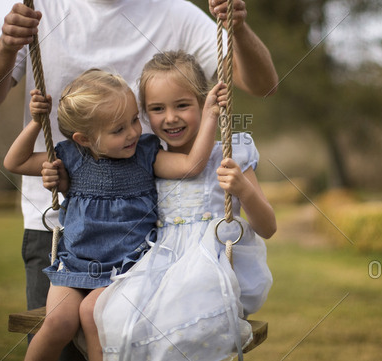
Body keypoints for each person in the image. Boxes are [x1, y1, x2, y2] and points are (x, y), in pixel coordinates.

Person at [0, 0, 277, 358]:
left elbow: (261, 83)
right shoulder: (42, 9)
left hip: (141, 244)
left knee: (122, 346)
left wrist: (238, 29)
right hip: (55, 226)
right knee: (57, 337)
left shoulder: (173, 13)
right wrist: (5, 45)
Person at [44, 51, 275, 360]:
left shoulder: (233, 154)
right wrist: (59, 178)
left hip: (205, 268)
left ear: (205, 102)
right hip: (150, 267)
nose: (170, 117)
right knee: (106, 315)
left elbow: (268, 227)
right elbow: (97, 183)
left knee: (172, 328)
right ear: (144, 113)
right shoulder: (145, 160)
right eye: (156, 108)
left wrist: (243, 190)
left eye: (182, 105)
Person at [3, 68, 228, 361]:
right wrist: (36, 123)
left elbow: (191, 165)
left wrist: (210, 115)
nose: (134, 132)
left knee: (94, 316)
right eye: (118, 130)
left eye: (135, 120)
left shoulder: (146, 154)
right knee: (58, 322)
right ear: (84, 139)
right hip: (73, 267)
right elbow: (14, 162)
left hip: (126, 272)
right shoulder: (70, 157)